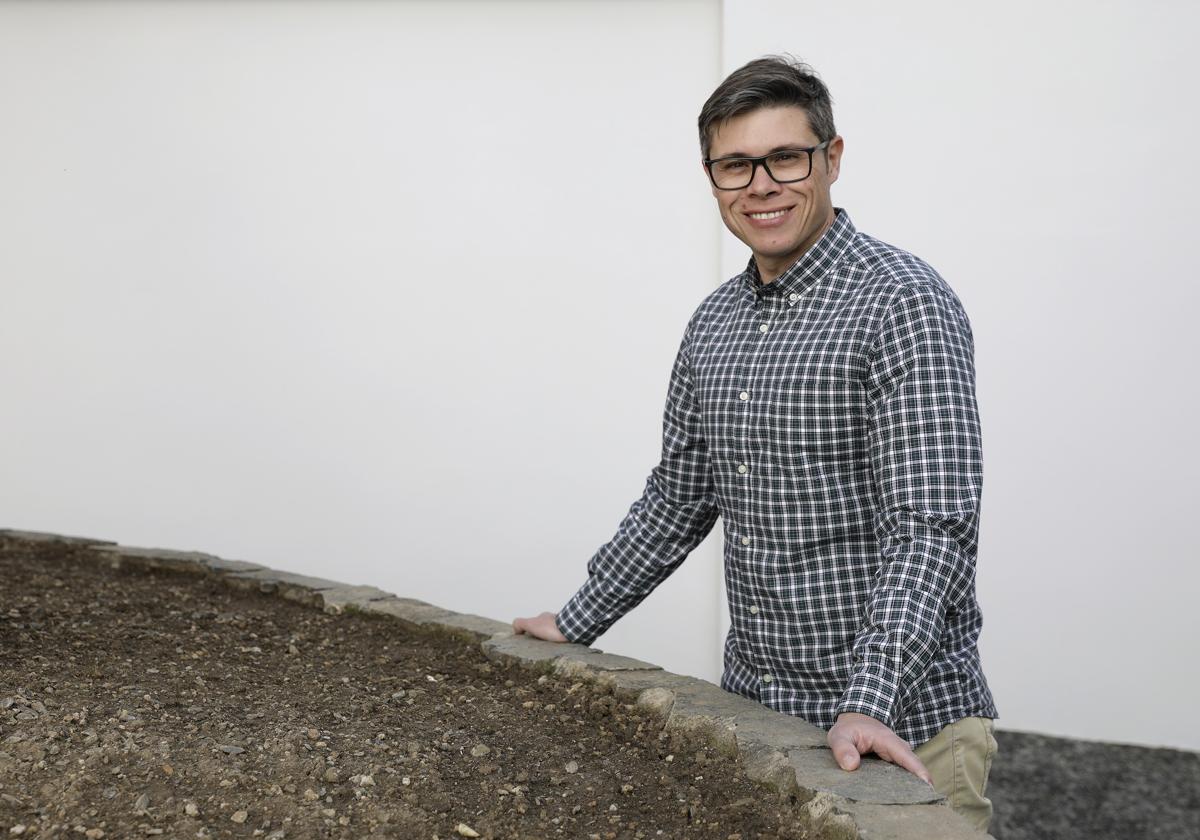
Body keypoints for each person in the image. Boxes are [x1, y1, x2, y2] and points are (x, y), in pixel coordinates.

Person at [512, 55, 998, 832]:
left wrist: (867, 704)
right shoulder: (714, 323)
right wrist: (575, 620)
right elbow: (679, 496)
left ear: (832, 159)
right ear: (712, 180)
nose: (761, 185)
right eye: (736, 165)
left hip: (902, 733)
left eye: (785, 158)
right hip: (762, 720)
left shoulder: (904, 303)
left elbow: (930, 528)